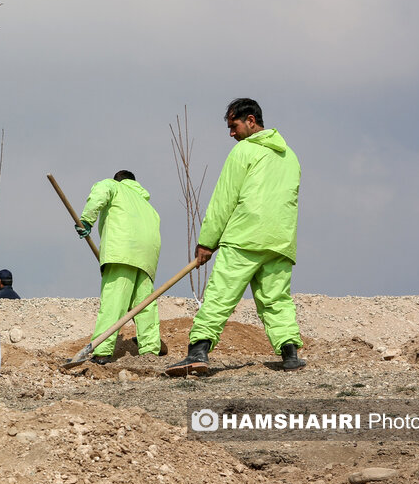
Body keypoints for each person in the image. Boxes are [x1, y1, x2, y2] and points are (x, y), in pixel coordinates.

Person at [168, 98, 304, 376]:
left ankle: (197, 351)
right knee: (276, 300)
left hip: (245, 236)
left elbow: (224, 199)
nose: (232, 133)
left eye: (234, 126)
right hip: (280, 240)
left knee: (220, 295)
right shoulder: (290, 156)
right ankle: (290, 354)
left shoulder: (244, 152)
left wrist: (207, 241)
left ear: (251, 120)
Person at [76, 170, 162, 364]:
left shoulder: (113, 186)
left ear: (119, 180)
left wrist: (87, 220)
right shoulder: (148, 206)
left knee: (114, 300)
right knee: (145, 305)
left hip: (122, 250)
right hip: (147, 257)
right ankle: (150, 350)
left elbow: (99, 194)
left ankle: (102, 350)